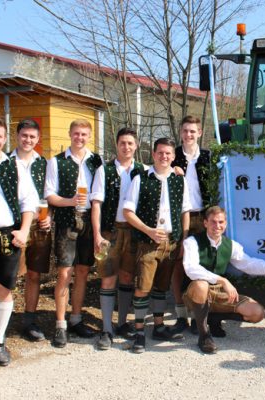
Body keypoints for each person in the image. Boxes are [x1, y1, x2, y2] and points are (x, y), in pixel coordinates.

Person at [182, 206, 265, 354]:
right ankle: (204, 336)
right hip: (195, 292)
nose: (217, 226)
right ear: (205, 223)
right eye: (213, 222)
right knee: (201, 285)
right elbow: (191, 269)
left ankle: (213, 318)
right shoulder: (192, 242)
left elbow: (248, 263)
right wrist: (222, 280)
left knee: (257, 312)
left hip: (218, 293)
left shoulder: (230, 245)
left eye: (221, 222)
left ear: (226, 224)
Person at [123, 137, 191, 353]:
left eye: (168, 154)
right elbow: (127, 212)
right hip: (148, 243)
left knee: (161, 288)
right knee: (143, 288)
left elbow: (185, 211)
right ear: (153, 154)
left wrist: (183, 240)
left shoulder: (180, 180)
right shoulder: (140, 179)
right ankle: (140, 332)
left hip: (171, 242)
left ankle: (159, 327)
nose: (164, 157)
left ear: (173, 156)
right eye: (160, 153)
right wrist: (149, 231)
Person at [44, 119, 102, 348]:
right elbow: (49, 195)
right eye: (76, 133)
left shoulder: (96, 161)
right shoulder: (56, 162)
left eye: (84, 134)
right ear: (70, 134)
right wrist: (68, 201)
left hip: (89, 219)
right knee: (64, 273)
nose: (80, 137)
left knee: (83, 271)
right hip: (67, 220)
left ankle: (76, 318)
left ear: (89, 136)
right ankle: (60, 325)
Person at [90, 127, 146, 349]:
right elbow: (96, 204)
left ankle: (122, 323)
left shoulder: (143, 170)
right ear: (117, 144)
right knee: (108, 277)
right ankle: (106, 329)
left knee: (126, 276)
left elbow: (164, 176)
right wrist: (96, 234)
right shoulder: (104, 170)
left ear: (136, 145)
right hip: (109, 231)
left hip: (133, 231)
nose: (126, 147)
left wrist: (177, 170)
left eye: (130, 143)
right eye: (123, 143)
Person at [0, 116, 36, 366]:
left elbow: (29, 202)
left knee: (4, 288)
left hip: (7, 233)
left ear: (5, 139)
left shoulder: (14, 166)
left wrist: (24, 231)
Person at [9, 119, 52, 342]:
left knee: (34, 274)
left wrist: (49, 217)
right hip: (13, 225)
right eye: (24, 136)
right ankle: (2, 321)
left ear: (38, 139)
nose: (28, 140)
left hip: (39, 226)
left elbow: (50, 193)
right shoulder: (6, 162)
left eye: (32, 137)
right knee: (7, 275)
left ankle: (29, 320)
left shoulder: (43, 163)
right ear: (17, 136)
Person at [170, 115, 210, 334]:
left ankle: (199, 314)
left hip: (203, 216)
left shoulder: (208, 157)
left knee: (200, 265)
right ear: (181, 132)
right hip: (179, 216)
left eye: (192, 131)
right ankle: (180, 315)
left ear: (199, 133)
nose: (188, 135)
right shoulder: (171, 155)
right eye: (185, 131)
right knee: (177, 263)